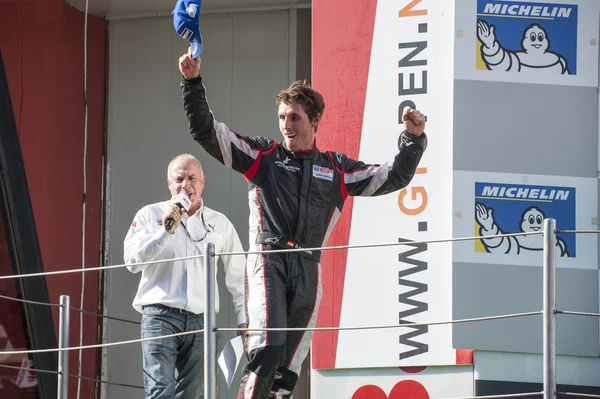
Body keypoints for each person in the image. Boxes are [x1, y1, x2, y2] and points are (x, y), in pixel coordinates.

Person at [178, 51, 427, 399]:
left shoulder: (336, 168)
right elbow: (207, 132)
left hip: (310, 266)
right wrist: (192, 83)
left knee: (287, 369)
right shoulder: (264, 156)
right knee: (268, 348)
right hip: (269, 260)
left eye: (294, 118)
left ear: (315, 121)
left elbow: (392, 177)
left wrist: (413, 139)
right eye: (281, 117)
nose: (286, 125)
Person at [124, 153, 247, 399]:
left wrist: (243, 318)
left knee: (193, 394)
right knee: (160, 391)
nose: (185, 185)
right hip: (160, 316)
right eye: (179, 179)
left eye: (192, 178)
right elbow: (132, 262)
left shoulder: (219, 223)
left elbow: (239, 274)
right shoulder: (149, 215)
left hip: (202, 320)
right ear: (169, 183)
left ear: (203, 181)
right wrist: (165, 230)